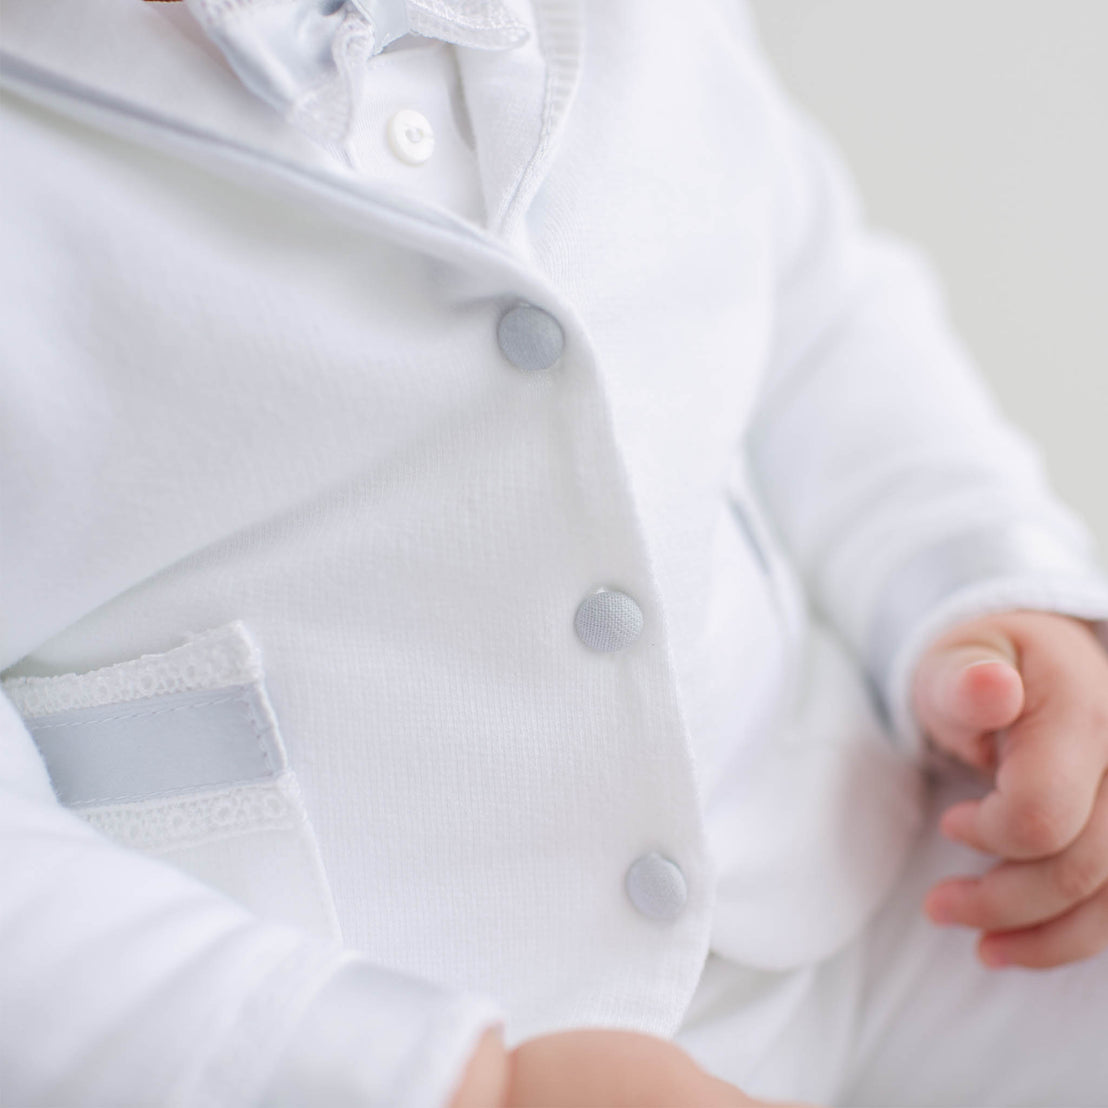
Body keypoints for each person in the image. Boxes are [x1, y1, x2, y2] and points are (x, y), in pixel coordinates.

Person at [1, 0, 1106, 1104]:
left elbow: (814, 310)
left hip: (851, 885)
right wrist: (430, 1073)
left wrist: (978, 585)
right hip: (342, 1021)